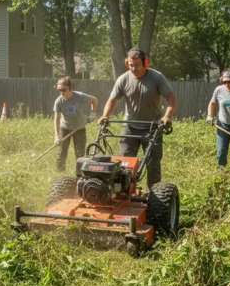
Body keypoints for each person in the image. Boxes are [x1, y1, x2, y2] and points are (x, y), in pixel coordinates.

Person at [98, 48, 177, 189]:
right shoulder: (123, 79)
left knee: (153, 164)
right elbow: (112, 100)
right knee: (124, 163)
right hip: (129, 127)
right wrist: (105, 116)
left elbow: (171, 98)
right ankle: (126, 192)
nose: (133, 68)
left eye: (137, 65)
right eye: (130, 65)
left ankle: (153, 195)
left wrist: (166, 116)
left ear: (145, 62)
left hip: (153, 127)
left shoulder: (157, 77)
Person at [53, 76, 98, 171]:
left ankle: (80, 173)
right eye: (59, 90)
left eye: (64, 90)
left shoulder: (80, 96)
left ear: (70, 88)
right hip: (65, 129)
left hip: (79, 129)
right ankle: (60, 172)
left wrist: (93, 114)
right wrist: (57, 136)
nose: (61, 92)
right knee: (61, 152)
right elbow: (56, 119)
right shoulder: (58, 101)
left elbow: (94, 100)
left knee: (80, 153)